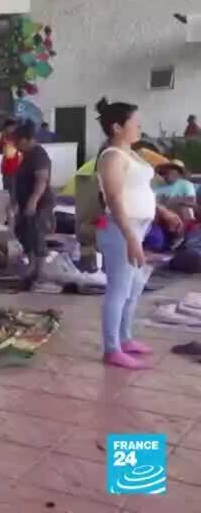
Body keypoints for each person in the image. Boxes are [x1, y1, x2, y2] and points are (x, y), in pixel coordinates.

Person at [94, 98, 155, 370]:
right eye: (135, 123)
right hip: (121, 228)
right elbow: (115, 198)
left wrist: (163, 212)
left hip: (137, 226)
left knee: (134, 285)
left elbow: (139, 189)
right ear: (117, 127)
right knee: (119, 289)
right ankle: (112, 349)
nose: (139, 127)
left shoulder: (131, 153)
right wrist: (130, 237)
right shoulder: (111, 157)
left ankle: (125, 337)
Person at [12, 120, 53, 288]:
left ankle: (40, 272)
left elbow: (41, 178)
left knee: (37, 235)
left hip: (38, 203)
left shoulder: (38, 154)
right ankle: (32, 266)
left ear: (27, 140)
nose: (16, 145)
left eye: (18, 142)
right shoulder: (28, 155)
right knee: (24, 232)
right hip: (26, 202)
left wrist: (33, 200)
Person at [0, 118, 22, 206]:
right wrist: (1, 144)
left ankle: (14, 207)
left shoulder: (17, 137)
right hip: (5, 167)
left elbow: (21, 149)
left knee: (13, 188)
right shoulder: (2, 137)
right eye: (12, 127)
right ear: (7, 127)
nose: (14, 129)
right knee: (6, 189)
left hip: (15, 167)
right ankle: (8, 207)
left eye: (14, 127)